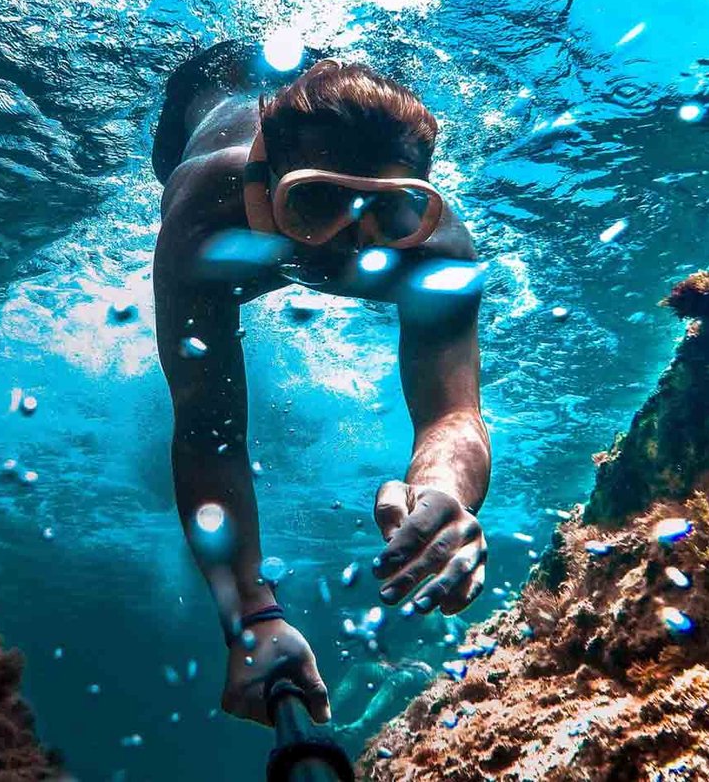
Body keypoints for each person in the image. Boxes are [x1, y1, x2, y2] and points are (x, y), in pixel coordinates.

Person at [151, 40, 492, 727]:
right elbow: (206, 430)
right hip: (206, 89)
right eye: (315, 206)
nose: (350, 246)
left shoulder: (437, 246)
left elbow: (453, 414)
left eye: (388, 213)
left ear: (418, 203)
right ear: (261, 181)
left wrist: (445, 492)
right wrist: (251, 611)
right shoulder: (202, 213)